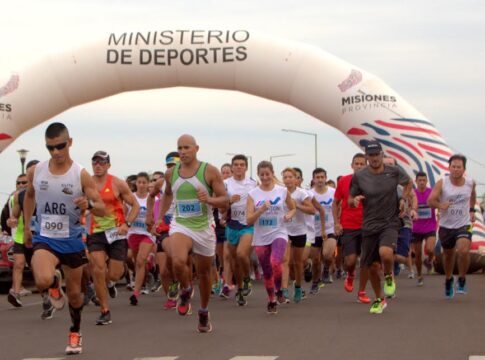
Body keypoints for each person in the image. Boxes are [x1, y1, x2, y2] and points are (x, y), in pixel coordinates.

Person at [23, 122, 105, 354]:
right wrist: (28, 225)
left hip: (71, 240)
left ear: (70, 142)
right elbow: (29, 196)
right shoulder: (36, 171)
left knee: (75, 295)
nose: (56, 152)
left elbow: (101, 208)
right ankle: (52, 283)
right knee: (41, 280)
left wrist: (87, 204)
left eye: (60, 146)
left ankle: (75, 331)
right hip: (45, 238)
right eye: (51, 148)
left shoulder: (80, 174)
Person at [156, 135, 228, 332]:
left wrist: (209, 200)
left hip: (204, 227)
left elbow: (224, 200)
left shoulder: (209, 171)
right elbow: (168, 194)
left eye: (186, 147)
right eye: (179, 148)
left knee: (205, 273)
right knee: (177, 259)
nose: (183, 151)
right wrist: (160, 217)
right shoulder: (171, 173)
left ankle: (203, 311)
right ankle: (186, 289)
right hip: (181, 224)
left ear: (196, 148)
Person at [349, 141, 412, 314]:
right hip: (369, 225)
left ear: (382, 155)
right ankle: (379, 299)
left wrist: (403, 199)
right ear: (367, 157)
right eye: (371, 155)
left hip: (390, 222)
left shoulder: (394, 171)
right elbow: (349, 198)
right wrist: (353, 202)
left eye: (377, 154)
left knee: (385, 252)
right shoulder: (360, 176)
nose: (374, 158)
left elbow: (408, 183)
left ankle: (389, 276)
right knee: (371, 267)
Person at [86, 151, 139, 324]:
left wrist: (127, 224)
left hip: (117, 232)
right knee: (98, 268)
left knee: (115, 273)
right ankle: (104, 310)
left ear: (108, 165)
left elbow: (135, 206)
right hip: (96, 232)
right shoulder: (86, 184)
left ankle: (111, 283)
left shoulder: (117, 183)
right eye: (95, 163)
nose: (98, 166)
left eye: (102, 162)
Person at [246, 161, 295, 314]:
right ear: (258, 175)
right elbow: (248, 220)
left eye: (268, 174)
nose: (265, 177)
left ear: (272, 173)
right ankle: (271, 299)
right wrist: (260, 210)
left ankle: (279, 289)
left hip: (278, 232)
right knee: (267, 272)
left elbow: (293, 208)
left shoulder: (282, 191)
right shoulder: (253, 194)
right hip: (261, 236)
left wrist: (289, 215)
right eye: (262, 175)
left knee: (275, 262)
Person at [427, 154, 476, 298]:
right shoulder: (442, 183)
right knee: (448, 256)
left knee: (463, 251)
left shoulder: (470, 182)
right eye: (453, 166)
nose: (455, 169)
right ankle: (449, 280)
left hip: (464, 223)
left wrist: (472, 210)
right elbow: (430, 201)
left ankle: (462, 278)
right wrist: (441, 205)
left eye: (458, 167)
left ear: (464, 169)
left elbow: (472, 196)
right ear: (449, 167)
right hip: (446, 225)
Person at [333, 153, 371, 304]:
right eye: (357, 163)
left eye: (362, 164)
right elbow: (335, 203)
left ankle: (362, 291)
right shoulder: (344, 181)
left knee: (366, 261)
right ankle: (350, 274)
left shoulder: (372, 181)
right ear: (352, 165)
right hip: (348, 225)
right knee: (350, 261)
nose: (359, 166)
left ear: (366, 165)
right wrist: (337, 222)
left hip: (368, 225)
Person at [222, 154, 257, 306]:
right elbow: (219, 203)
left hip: (247, 225)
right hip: (231, 224)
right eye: (236, 164)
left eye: (242, 164)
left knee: (241, 254)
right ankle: (240, 290)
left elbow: (259, 199)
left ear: (246, 167)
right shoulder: (225, 183)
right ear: (232, 167)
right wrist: (229, 201)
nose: (239, 167)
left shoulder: (252, 183)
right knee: (234, 260)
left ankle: (247, 278)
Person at [282, 167, 314, 303]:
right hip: (284, 230)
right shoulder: (280, 192)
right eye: (285, 177)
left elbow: (312, 210)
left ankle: (298, 287)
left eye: (290, 177)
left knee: (297, 262)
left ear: (296, 179)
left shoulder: (301, 193)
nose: (288, 179)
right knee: (286, 261)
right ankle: (284, 289)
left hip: (299, 231)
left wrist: (297, 206)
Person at [126, 172, 156, 306]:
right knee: (137, 262)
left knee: (140, 260)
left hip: (147, 234)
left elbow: (156, 216)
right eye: (139, 182)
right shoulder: (130, 198)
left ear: (148, 183)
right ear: (135, 184)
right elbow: (123, 214)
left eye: (144, 182)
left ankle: (135, 293)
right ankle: (149, 267)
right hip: (133, 233)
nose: (142, 185)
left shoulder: (153, 199)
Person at [311, 168, 337, 286]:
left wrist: (338, 222)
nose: (320, 180)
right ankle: (316, 281)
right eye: (318, 177)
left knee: (327, 254)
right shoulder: (309, 194)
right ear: (313, 179)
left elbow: (339, 207)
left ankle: (326, 269)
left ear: (326, 178)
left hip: (330, 228)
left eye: (322, 177)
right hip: (314, 230)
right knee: (315, 261)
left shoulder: (333, 192)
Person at [412, 171, 438, 285]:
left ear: (427, 181)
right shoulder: (413, 194)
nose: (422, 183)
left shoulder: (431, 193)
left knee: (430, 249)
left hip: (430, 226)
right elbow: (409, 207)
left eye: (424, 180)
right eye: (420, 180)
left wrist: (440, 212)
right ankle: (419, 275)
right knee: (417, 255)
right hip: (416, 227)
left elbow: (439, 202)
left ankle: (429, 260)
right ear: (416, 181)